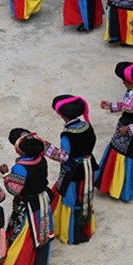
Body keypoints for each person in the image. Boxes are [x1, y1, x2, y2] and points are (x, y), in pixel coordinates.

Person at [0, 130, 54, 265]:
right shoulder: (41, 159)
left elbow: (14, 190)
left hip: (27, 204)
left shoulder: (20, 167)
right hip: (42, 199)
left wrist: (6, 175)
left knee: (24, 234)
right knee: (41, 232)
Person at [95, 62, 133, 202]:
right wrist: (112, 106)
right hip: (123, 130)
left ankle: (123, 190)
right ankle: (111, 185)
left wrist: (130, 129)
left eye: (124, 80)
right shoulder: (132, 91)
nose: (123, 82)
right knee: (115, 153)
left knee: (128, 159)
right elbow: (126, 105)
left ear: (132, 82)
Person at [45, 95, 97, 245]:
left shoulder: (67, 134)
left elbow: (64, 157)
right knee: (85, 195)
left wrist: (48, 149)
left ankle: (70, 234)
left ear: (63, 116)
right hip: (88, 166)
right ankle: (84, 228)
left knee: (70, 198)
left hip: (73, 170)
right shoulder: (87, 126)